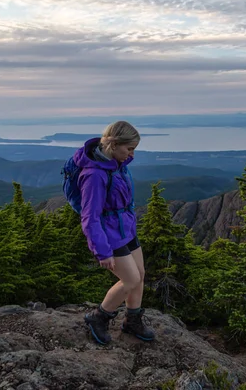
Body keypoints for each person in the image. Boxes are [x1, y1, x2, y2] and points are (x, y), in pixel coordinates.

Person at [73, 120, 155, 345]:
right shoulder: (94, 175)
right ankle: (98, 318)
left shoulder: (117, 165)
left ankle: (132, 321)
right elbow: (90, 217)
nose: (132, 155)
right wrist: (102, 251)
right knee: (129, 279)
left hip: (125, 229)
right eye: (129, 149)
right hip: (109, 235)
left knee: (139, 275)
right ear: (114, 144)